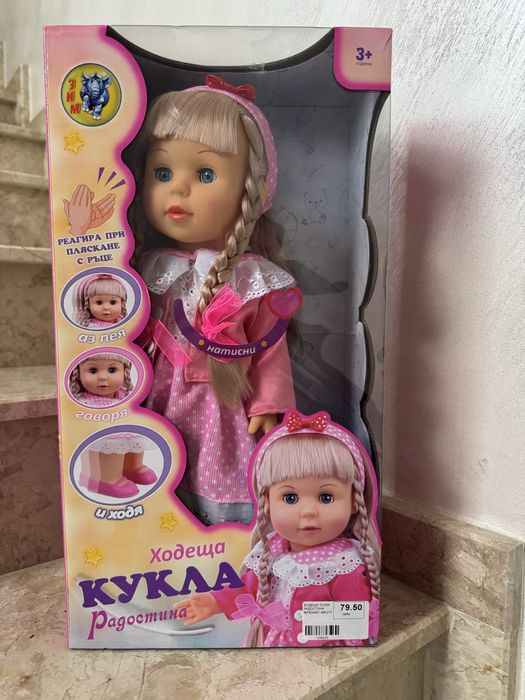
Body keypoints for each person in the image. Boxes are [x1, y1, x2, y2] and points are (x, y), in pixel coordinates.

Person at [131, 75, 297, 525]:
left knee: (217, 481)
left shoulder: (251, 277)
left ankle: (220, 542)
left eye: (204, 175)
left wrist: (269, 404)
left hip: (221, 408)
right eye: (163, 173)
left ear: (251, 191)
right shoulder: (150, 268)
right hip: (156, 401)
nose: (177, 189)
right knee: (155, 479)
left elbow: (269, 349)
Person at [175, 410, 381, 647]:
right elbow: (248, 586)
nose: (308, 511)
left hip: (319, 654)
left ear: (355, 501)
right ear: (267, 504)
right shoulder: (272, 551)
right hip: (270, 644)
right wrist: (215, 602)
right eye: (290, 498)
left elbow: (354, 621)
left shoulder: (344, 564)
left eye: (326, 497)